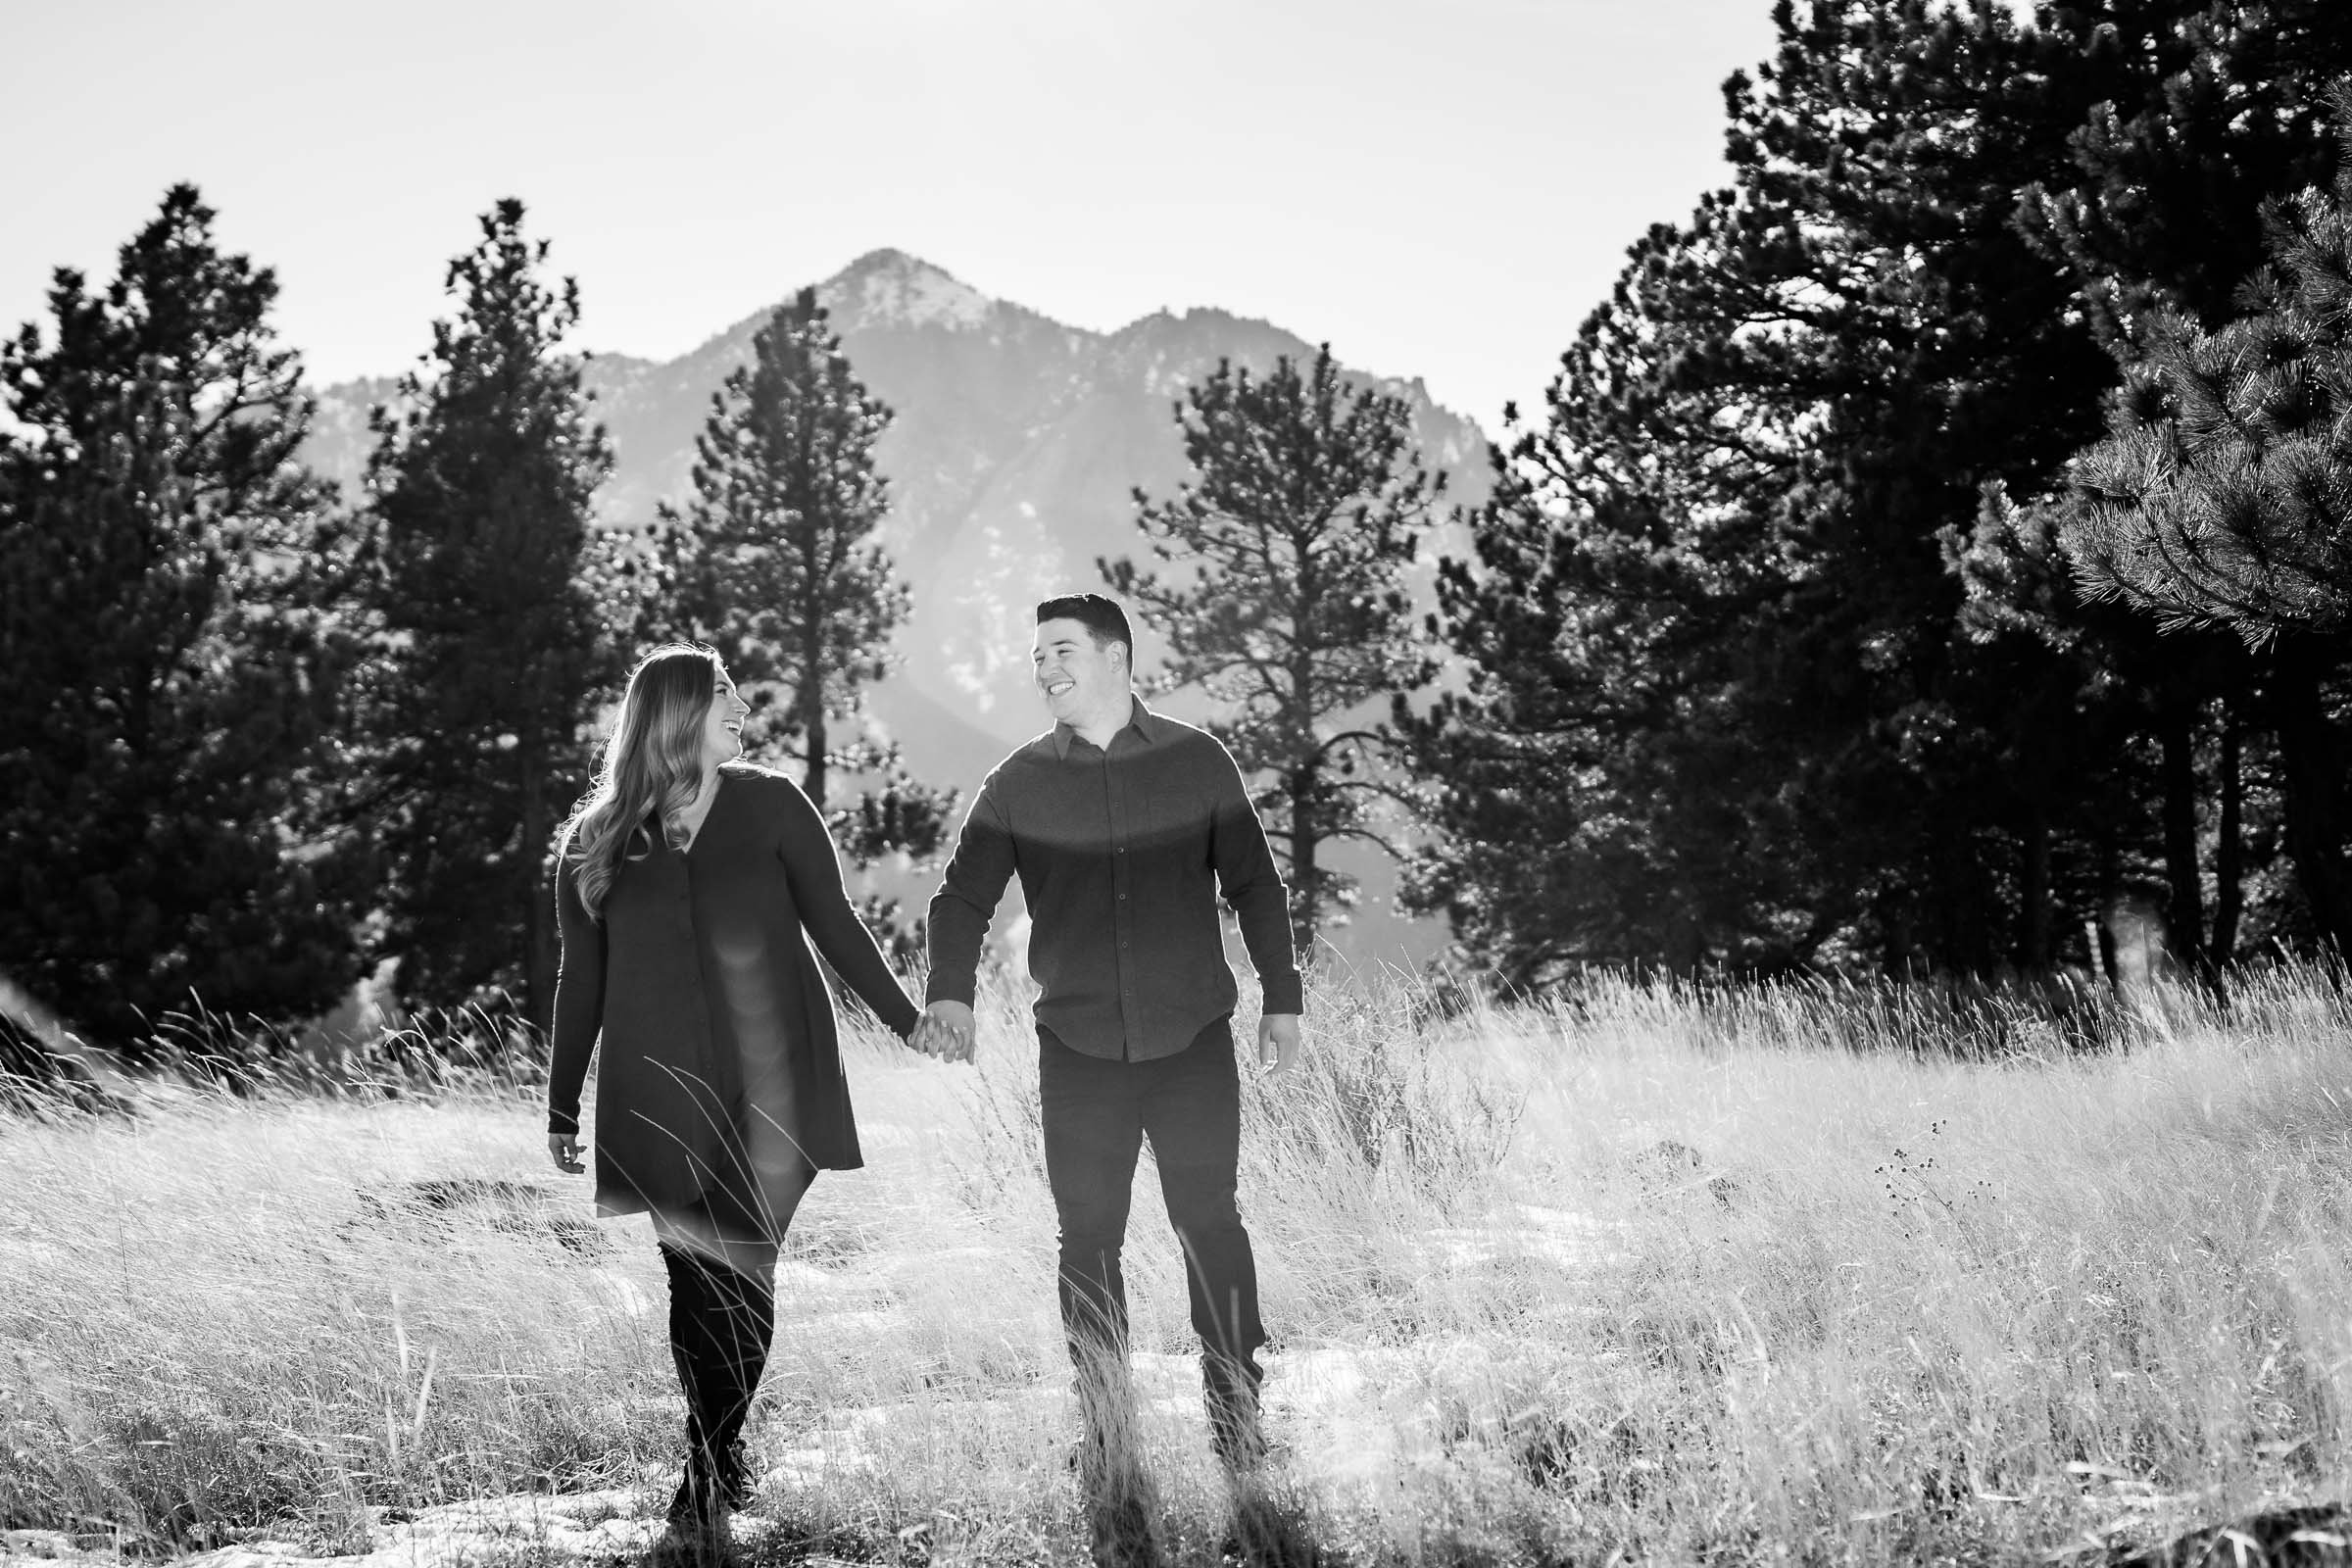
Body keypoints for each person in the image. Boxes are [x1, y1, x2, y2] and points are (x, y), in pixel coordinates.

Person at [545, 643, 926, 1549]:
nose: (742, 708)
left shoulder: (771, 804)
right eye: (723, 696)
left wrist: (910, 1022)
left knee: (742, 1260)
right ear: (677, 711)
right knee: (691, 1281)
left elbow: (834, 920)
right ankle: (720, 1450)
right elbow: (580, 984)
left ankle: (707, 1472)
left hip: (777, 1075)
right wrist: (562, 1105)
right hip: (656, 1091)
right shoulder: (599, 839)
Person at [915, 593, 1304, 1470]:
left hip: (1193, 1042)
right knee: (1086, 1239)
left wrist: (1283, 996)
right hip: (1079, 1052)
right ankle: (1106, 1432)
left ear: (1117, 659)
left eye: (1061, 651)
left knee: (1211, 1223)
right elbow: (962, 899)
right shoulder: (1018, 782)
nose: (1044, 669)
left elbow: (1256, 886)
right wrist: (951, 995)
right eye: (1037, 656)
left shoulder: (1197, 761)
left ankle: (1240, 1423)